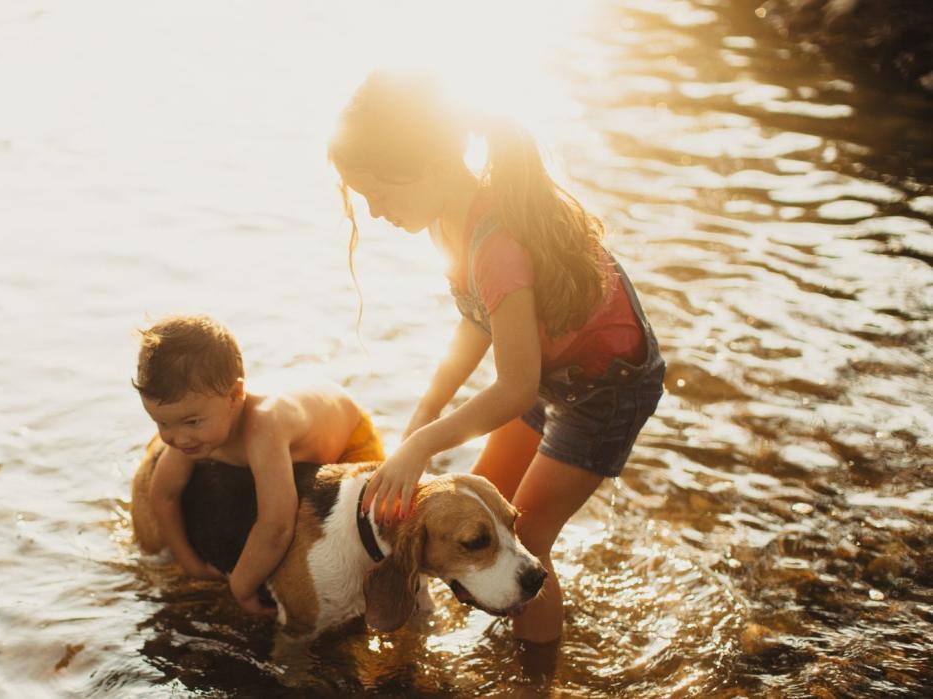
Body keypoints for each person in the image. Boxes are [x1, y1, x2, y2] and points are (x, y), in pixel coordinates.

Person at [330, 71, 665, 643]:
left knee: (528, 534)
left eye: (380, 194)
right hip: (552, 375)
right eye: (364, 198)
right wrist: (427, 412)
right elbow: (475, 319)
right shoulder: (447, 219)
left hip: (606, 389)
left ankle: (537, 677)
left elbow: (513, 387)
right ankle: (484, 623)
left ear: (432, 168)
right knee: (480, 503)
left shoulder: (499, 244)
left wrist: (422, 444)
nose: (376, 212)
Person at [133, 315, 385, 615]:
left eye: (191, 422)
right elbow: (164, 495)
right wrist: (190, 563)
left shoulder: (264, 426)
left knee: (369, 532)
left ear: (236, 396)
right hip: (289, 421)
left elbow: (275, 525)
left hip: (347, 439)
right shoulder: (189, 432)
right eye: (162, 423)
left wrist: (241, 585)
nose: (176, 438)